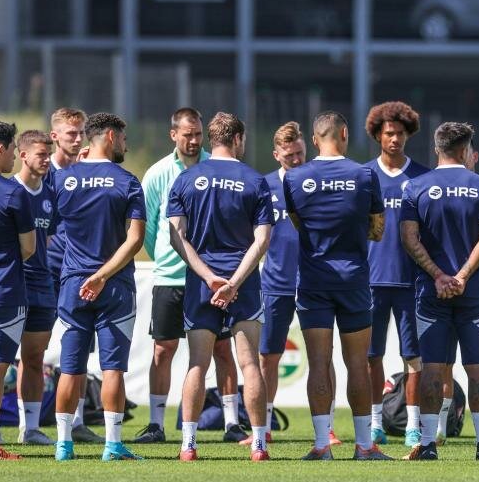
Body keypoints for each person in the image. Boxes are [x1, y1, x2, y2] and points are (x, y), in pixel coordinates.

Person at [283, 111, 391, 461]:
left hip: (313, 279)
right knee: (358, 363)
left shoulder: (294, 177)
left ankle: (321, 445)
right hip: (354, 279)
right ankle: (364, 446)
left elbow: (298, 224)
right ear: (344, 134)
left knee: (318, 362)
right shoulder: (365, 175)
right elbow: (378, 230)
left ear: (314, 140)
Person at [135, 108, 247, 445]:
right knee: (163, 350)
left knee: (223, 350)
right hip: (170, 277)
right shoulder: (157, 174)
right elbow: (150, 228)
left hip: (212, 277)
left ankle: (232, 423)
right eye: (187, 134)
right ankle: (156, 424)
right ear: (173, 135)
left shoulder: (217, 166)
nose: (194, 140)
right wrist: (168, 259)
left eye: (198, 134)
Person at [168, 112, 272, 462]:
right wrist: (233, 282)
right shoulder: (255, 180)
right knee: (250, 364)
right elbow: (262, 241)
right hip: (244, 282)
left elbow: (176, 237)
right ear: (238, 139)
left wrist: (208, 277)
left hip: (202, 284)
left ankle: (188, 445)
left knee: (197, 364)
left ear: (211, 140)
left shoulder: (186, 179)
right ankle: (259, 445)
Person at [400, 121, 479, 461]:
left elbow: (408, 238)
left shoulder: (415, 187)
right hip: (474, 292)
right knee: (478, 368)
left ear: (437, 150)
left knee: (432, 367)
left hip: (432, 293)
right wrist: (462, 276)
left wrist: (439, 276)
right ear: (465, 150)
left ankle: (428, 444)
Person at [53, 112, 145, 462]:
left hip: (73, 283)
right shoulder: (127, 182)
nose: (126, 145)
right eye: (123, 138)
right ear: (110, 136)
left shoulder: (63, 179)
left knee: (70, 368)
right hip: (114, 285)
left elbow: (47, 228)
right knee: (112, 368)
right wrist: (103, 275)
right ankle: (113, 445)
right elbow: (135, 240)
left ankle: (63, 446)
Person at [260, 121, 344, 446]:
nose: (296, 160)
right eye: (289, 155)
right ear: (276, 154)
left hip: (314, 282)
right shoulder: (264, 186)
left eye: (299, 153)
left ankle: (328, 427)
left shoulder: (317, 182)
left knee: (323, 357)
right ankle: (263, 427)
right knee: (268, 356)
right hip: (276, 284)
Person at [363, 101, 428, 447]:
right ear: (378, 135)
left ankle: (413, 425)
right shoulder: (363, 175)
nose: (395, 139)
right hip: (371, 281)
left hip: (411, 282)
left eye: (401, 133)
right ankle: (375, 424)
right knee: (371, 356)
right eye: (389, 133)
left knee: (413, 357)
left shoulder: (422, 177)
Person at [45, 108, 102, 443]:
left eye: (82, 133)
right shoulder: (43, 172)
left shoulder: (89, 173)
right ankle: (28, 426)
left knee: (80, 349)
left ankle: (77, 421)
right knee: (33, 350)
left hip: (80, 273)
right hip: (46, 272)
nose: (78, 139)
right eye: (71, 133)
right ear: (55, 136)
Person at [13, 131, 56, 445]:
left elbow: (48, 239)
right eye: (41, 154)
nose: (46, 160)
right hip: (12, 284)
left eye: (48, 154)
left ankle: (29, 429)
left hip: (43, 284)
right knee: (2, 359)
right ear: (23, 155)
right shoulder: (9, 192)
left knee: (34, 358)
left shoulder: (50, 194)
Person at [0, 121, 35, 460]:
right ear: (1, 149)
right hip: (6, 294)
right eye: (12, 149)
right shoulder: (14, 192)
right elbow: (29, 247)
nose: (13, 156)